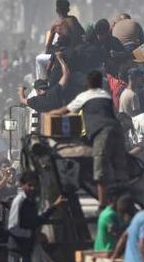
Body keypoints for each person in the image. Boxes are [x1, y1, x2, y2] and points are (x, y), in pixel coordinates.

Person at [54, 69, 128, 207]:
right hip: (116, 130)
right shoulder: (106, 95)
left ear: (87, 84)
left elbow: (64, 111)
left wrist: (49, 114)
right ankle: (123, 201)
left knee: (100, 170)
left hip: (102, 132)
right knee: (119, 168)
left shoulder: (85, 96)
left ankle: (102, 205)